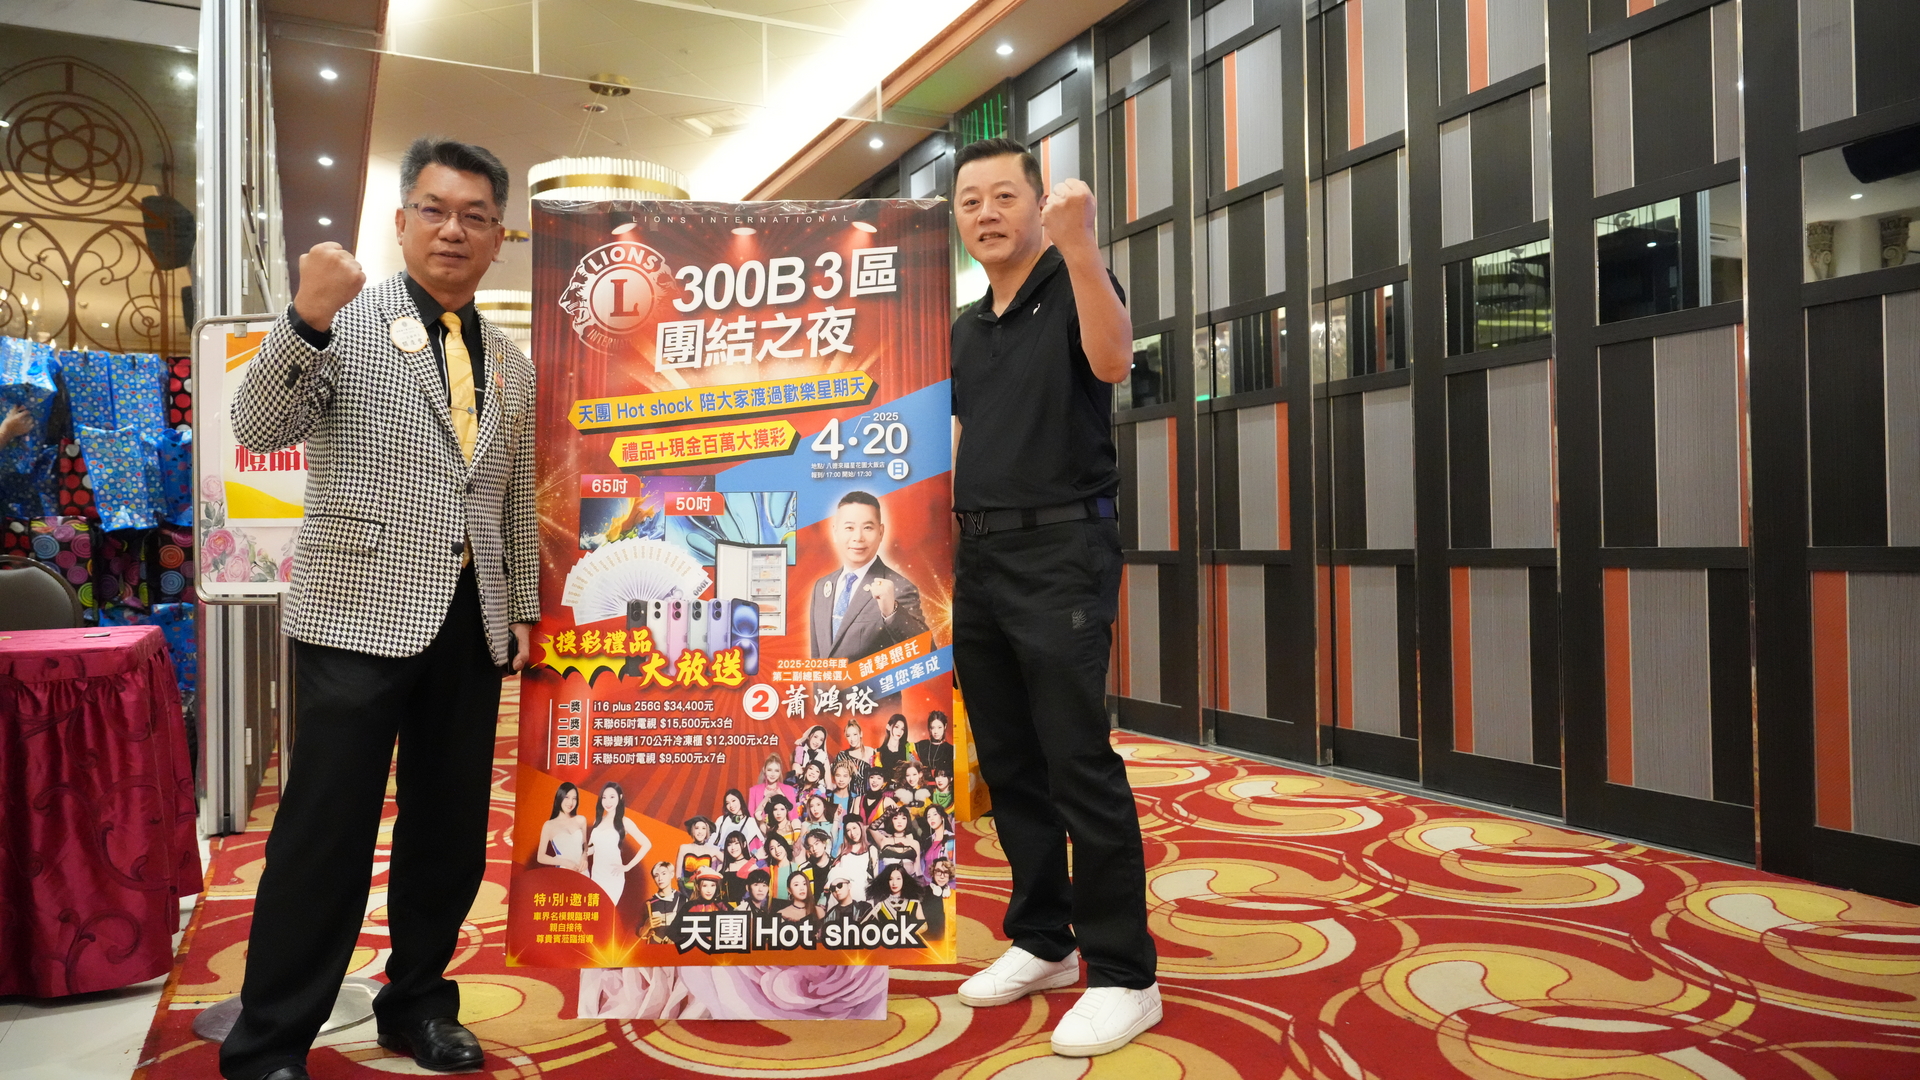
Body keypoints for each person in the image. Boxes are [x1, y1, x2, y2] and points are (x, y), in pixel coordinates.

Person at [218, 136, 538, 1080]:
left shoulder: (511, 363)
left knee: (448, 831)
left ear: (499, 237)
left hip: (469, 622)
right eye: (434, 210)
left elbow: (512, 499)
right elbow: (258, 426)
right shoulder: (345, 321)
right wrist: (304, 318)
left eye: (475, 216)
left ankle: (418, 1005)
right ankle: (271, 1039)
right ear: (401, 222)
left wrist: (519, 604)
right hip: (356, 617)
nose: (453, 231)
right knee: (325, 833)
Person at [947, 136, 1161, 1057]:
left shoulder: (1076, 280)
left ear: (1038, 205)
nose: (986, 213)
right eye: (970, 202)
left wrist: (1081, 247)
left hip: (1062, 551)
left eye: (1004, 196)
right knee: (1010, 761)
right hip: (978, 558)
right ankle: (1044, 938)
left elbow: (1113, 364)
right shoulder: (966, 326)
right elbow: (964, 437)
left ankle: (1125, 974)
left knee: (1077, 759)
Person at [808, 491, 928, 659]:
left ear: (881, 532)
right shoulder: (821, 587)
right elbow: (817, 657)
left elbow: (926, 650)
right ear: (835, 532)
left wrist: (892, 611)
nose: (858, 537)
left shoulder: (899, 588)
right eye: (849, 528)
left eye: (868, 528)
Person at [589, 783, 651, 905]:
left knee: (606, 911)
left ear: (620, 797)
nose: (607, 801)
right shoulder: (598, 820)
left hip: (613, 876)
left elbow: (647, 844)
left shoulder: (624, 822)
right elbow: (595, 848)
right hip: (596, 874)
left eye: (612, 797)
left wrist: (627, 867)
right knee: (594, 911)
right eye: (604, 797)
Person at [535, 782, 588, 874]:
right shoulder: (549, 825)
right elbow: (540, 857)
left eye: (574, 798)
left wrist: (584, 857)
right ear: (560, 797)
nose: (570, 802)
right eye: (567, 797)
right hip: (563, 871)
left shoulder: (581, 820)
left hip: (583, 871)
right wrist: (565, 862)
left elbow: (585, 845)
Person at [675, 817, 723, 894]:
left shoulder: (712, 851)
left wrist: (718, 872)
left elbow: (730, 862)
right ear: (692, 830)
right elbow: (678, 875)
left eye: (703, 828)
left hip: (704, 892)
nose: (700, 832)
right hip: (686, 890)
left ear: (707, 831)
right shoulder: (684, 848)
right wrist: (683, 889)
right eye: (697, 828)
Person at [834, 817, 877, 900]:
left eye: (854, 828)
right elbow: (835, 871)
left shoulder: (871, 849)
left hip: (861, 893)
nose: (852, 833)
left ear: (861, 827)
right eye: (848, 830)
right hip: (841, 892)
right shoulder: (843, 848)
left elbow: (875, 877)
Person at [715, 788, 765, 858]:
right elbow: (712, 841)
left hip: (741, 860)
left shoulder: (751, 822)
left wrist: (755, 856)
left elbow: (765, 841)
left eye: (733, 800)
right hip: (720, 858)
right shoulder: (721, 820)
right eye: (727, 803)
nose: (731, 805)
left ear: (740, 800)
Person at [748, 753, 797, 822]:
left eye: (776, 771)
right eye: (769, 770)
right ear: (764, 770)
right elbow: (751, 818)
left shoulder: (789, 790)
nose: (773, 774)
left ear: (780, 772)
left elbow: (794, 817)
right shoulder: (754, 790)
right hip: (761, 827)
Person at [835, 716, 879, 784]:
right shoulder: (842, 756)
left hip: (870, 789)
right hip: (850, 790)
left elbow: (880, 775)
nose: (852, 739)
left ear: (861, 734)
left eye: (855, 734)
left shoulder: (872, 752)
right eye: (848, 736)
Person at [645, 861, 681, 945]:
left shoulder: (684, 899)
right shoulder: (649, 904)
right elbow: (639, 933)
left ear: (672, 875)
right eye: (656, 875)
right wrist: (646, 927)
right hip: (655, 948)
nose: (660, 878)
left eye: (664, 874)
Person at [719, 832, 757, 905]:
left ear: (744, 844)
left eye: (736, 843)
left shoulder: (752, 866)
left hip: (745, 908)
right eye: (729, 845)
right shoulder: (721, 867)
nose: (733, 848)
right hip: (724, 909)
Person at [914, 711, 954, 779]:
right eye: (933, 727)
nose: (936, 731)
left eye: (939, 727)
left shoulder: (950, 749)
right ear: (929, 728)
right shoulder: (920, 745)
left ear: (945, 726)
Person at [762, 832, 797, 902]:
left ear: (784, 845)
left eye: (779, 845)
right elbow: (742, 874)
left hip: (793, 905)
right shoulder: (770, 870)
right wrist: (756, 857)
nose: (777, 850)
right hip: (775, 905)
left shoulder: (797, 868)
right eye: (772, 848)